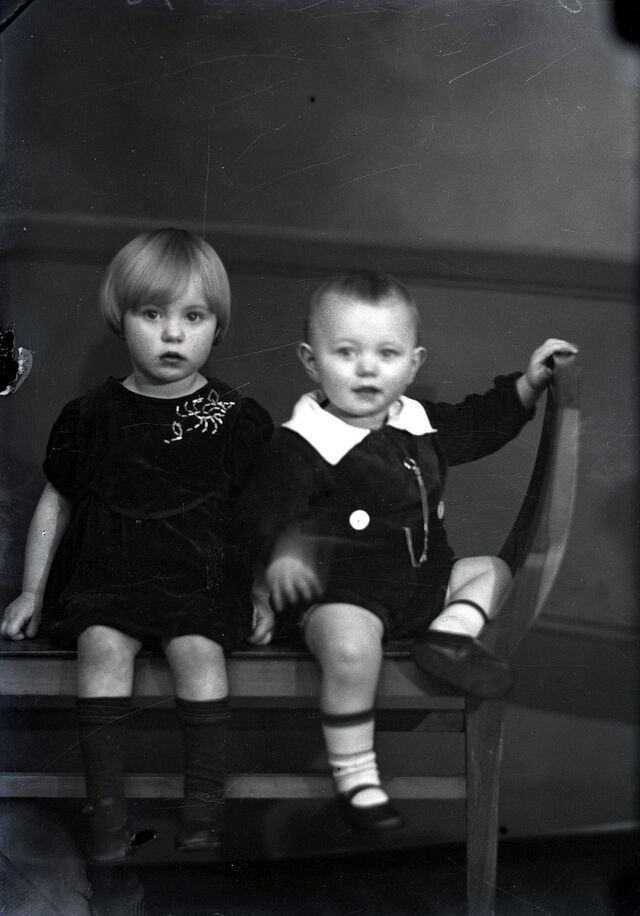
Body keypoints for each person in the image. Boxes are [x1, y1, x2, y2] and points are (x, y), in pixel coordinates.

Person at [239, 270, 577, 833]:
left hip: (422, 587)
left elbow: (479, 424)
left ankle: (449, 635)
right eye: (346, 352)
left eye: (387, 353)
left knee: (491, 570)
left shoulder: (420, 424)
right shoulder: (300, 443)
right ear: (311, 361)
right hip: (342, 595)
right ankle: (356, 773)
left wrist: (527, 385)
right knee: (350, 649)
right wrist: (282, 557)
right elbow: (266, 511)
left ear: (413, 364)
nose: (367, 369)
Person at [0, 229, 273, 861]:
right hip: (109, 579)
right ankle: (106, 813)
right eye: (152, 314)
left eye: (193, 317)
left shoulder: (235, 417)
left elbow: (260, 515)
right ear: (120, 320)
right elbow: (56, 501)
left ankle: (203, 807)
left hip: (196, 582)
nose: (172, 333)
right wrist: (32, 591)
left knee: (199, 650)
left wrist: (260, 591)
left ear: (217, 326)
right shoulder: (90, 414)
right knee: (100, 644)